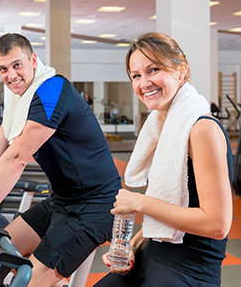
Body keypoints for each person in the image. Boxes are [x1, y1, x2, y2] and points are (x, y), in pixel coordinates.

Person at [0, 33, 121, 287]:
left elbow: (16, 157)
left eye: (17, 65)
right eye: (3, 69)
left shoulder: (51, 88)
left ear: (33, 60)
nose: (11, 75)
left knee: (25, 283)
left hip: (94, 208)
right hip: (62, 201)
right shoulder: (19, 97)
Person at [94, 32, 233, 287]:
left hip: (188, 268)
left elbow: (218, 224)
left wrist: (141, 203)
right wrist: (132, 247)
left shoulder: (200, 129)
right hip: (151, 255)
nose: (144, 82)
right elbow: (168, 210)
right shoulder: (164, 127)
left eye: (153, 69)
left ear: (181, 71)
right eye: (136, 75)